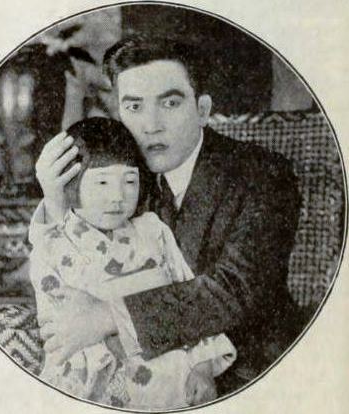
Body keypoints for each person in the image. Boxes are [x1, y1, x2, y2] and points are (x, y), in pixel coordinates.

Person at [33, 36, 302, 397]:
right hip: (139, 372)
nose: (151, 125)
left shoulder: (262, 174)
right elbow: (82, 264)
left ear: (202, 110)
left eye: (170, 103)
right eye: (134, 106)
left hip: (251, 370)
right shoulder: (125, 178)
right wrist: (57, 202)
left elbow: (233, 289)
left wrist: (108, 316)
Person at [29, 117, 237, 409]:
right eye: (102, 182)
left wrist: (202, 367)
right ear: (70, 183)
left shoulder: (153, 230)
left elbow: (188, 295)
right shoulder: (55, 242)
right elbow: (67, 321)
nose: (117, 197)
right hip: (94, 375)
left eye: (129, 181)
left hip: (171, 371)